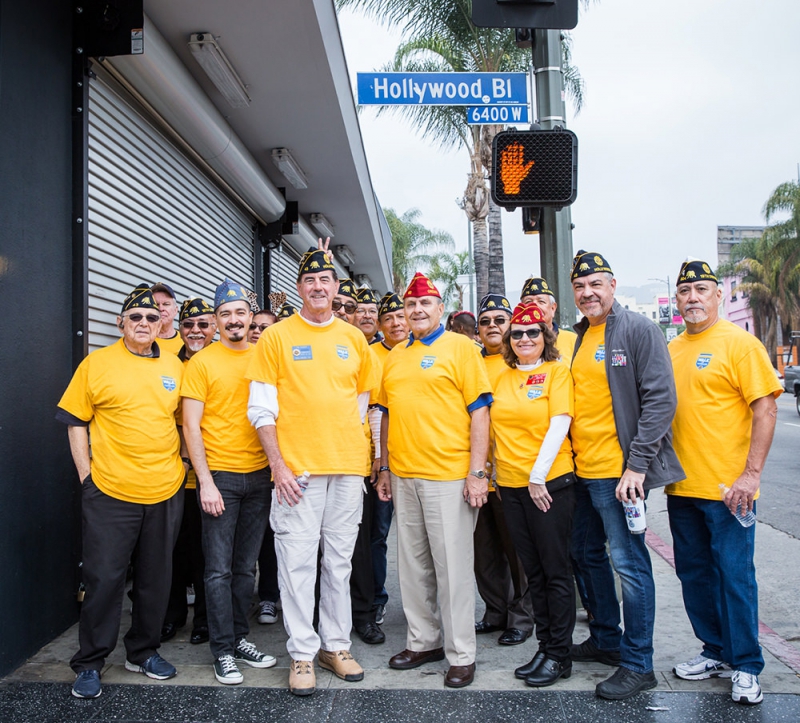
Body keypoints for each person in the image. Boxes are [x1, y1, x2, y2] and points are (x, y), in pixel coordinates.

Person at [247, 243, 380, 696]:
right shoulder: (277, 337)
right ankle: (302, 653)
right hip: (297, 474)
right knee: (297, 564)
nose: (318, 287)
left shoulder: (354, 338)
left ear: (336, 287)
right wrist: (279, 465)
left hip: (346, 469)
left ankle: (336, 646)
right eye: (310, 281)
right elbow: (261, 409)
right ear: (299, 287)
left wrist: (362, 460)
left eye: (326, 280)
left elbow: (360, 405)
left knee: (339, 564)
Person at [57, 284, 185, 699]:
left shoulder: (174, 365)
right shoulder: (97, 364)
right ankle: (91, 662)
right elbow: (76, 420)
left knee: (155, 579)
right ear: (120, 323)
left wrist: (182, 466)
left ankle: (143, 652)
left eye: (152, 317)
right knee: (104, 580)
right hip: (110, 491)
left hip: (165, 490)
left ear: (161, 322)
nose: (145, 323)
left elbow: (185, 422)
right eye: (136, 317)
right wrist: (86, 477)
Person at [569, 250, 684, 700]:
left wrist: (636, 465)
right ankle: (606, 640)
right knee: (584, 554)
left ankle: (639, 664)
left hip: (619, 474)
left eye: (595, 283)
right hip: (581, 471)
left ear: (613, 285)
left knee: (630, 567)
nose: (588, 293)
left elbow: (661, 400)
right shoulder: (580, 336)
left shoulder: (638, 329)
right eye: (580, 286)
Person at [667, 260, 781, 706]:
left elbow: (765, 409)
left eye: (700, 289)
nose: (692, 297)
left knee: (735, 577)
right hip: (682, 488)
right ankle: (714, 650)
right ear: (676, 301)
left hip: (730, 492)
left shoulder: (740, 344)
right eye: (684, 291)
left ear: (718, 296)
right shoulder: (673, 347)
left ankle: (748, 664)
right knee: (694, 575)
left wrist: (750, 475)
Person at [375, 272, 492, 689]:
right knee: (413, 566)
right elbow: (386, 414)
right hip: (405, 475)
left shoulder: (461, 348)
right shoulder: (394, 356)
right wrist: (384, 466)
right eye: (411, 305)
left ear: (440, 308)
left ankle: (461, 653)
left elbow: (480, 411)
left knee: (453, 568)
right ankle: (423, 640)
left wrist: (478, 473)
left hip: (449, 476)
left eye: (426, 304)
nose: (418, 310)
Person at [182, 280, 277, 685]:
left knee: (244, 569)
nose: (234, 320)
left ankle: (239, 638)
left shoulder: (265, 357)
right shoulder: (202, 362)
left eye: (240, 313)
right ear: (216, 321)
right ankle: (222, 651)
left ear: (249, 317)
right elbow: (190, 426)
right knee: (217, 570)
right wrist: (204, 481)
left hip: (260, 477)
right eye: (226, 314)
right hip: (220, 476)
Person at [492, 303, 576, 687]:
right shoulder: (503, 377)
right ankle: (545, 647)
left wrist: (538, 477)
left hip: (548, 485)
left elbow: (560, 423)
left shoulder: (557, 372)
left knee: (556, 571)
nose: (525, 339)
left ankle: (560, 654)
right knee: (534, 573)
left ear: (546, 337)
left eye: (533, 332)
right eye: (517, 334)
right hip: (510, 487)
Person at [473, 293, 534, 646]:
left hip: (514, 473)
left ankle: (521, 617)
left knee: (517, 552)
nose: (493, 326)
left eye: (500, 320)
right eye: (486, 321)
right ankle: (494, 612)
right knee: (484, 549)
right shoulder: (469, 361)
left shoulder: (522, 364)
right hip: (477, 473)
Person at [162, 298, 216, 646]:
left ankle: (205, 621)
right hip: (172, 474)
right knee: (171, 552)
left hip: (211, 474)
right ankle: (171, 616)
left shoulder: (223, 360)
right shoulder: (166, 363)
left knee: (206, 553)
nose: (195, 331)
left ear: (214, 327)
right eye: (189, 325)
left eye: (203, 324)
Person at [367, 292, 409, 626]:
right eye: (389, 318)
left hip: (417, 461)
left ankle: (422, 609)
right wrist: (379, 461)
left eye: (401, 316)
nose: (396, 323)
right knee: (376, 535)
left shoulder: (424, 351)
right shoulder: (370, 355)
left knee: (415, 539)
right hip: (379, 461)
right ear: (381, 325)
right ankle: (377, 598)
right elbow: (373, 411)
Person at [520, 277, 578, 361]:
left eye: (541, 302)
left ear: (553, 308)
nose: (535, 306)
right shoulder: (519, 343)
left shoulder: (573, 340)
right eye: (528, 302)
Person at [151, 282, 183, 355]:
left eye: (166, 304)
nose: (161, 308)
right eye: (156, 304)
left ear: (175, 310)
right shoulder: (141, 341)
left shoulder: (186, 342)